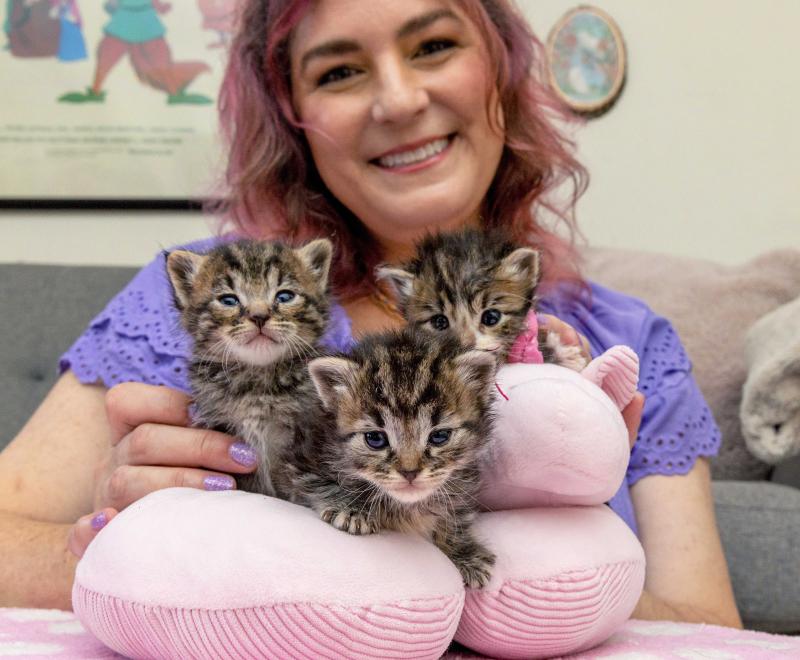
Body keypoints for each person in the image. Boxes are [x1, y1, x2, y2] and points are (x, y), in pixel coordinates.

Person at [0, 0, 742, 628]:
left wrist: (543, 582)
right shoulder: (205, 298)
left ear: (503, 68)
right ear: (292, 116)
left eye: (434, 45)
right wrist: (112, 547)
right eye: (339, 72)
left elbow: (710, 630)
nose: (399, 101)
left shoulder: (624, 343)